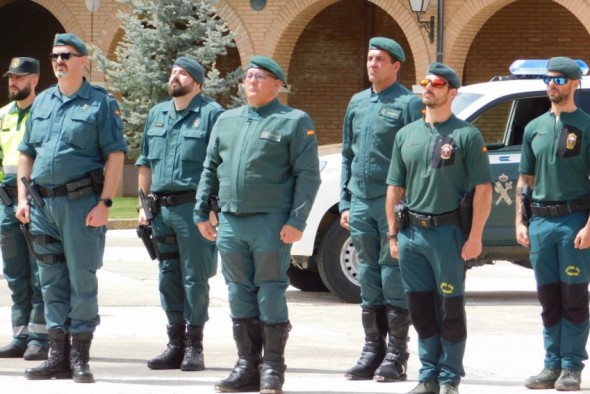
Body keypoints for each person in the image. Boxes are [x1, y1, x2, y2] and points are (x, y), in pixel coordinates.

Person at [194, 55, 321, 394]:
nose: (252, 82)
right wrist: (201, 210)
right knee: (238, 293)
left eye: (261, 77)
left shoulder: (293, 121)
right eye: (249, 76)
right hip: (232, 222)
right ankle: (246, 365)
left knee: (270, 290)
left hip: (271, 222)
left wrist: (297, 220)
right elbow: (210, 169)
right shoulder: (227, 120)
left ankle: (273, 369)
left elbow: (308, 175)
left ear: (278, 85)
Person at [15, 33, 127, 383]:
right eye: (54, 56)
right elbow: (27, 152)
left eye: (65, 55)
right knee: (50, 282)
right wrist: (22, 199)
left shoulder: (100, 103)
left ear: (83, 60)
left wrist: (106, 203)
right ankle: (56, 355)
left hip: (80, 206)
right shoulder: (43, 101)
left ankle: (80, 357)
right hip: (42, 206)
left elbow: (115, 155)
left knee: (81, 280)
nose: (59, 61)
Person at [385, 62, 493, 394]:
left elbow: (484, 190)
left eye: (437, 83)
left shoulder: (467, 135)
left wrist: (475, 237)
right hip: (411, 234)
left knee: (449, 307)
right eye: (425, 82)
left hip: (448, 235)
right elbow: (394, 189)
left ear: (452, 92)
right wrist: (392, 234)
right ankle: (427, 375)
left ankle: (449, 378)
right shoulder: (406, 135)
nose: (428, 87)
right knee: (419, 307)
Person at [339, 37, 424, 383]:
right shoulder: (357, 102)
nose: (372, 64)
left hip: (392, 205)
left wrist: (407, 205)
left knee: (393, 275)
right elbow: (348, 154)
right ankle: (372, 350)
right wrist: (345, 201)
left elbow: (415, 158)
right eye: (370, 58)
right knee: (368, 276)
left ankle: (396, 354)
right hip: (360, 202)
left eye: (380, 59)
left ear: (396, 66)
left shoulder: (407, 103)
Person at [136, 56, 222, 372]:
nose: (175, 76)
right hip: (160, 210)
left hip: (193, 209)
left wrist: (213, 209)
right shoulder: (157, 114)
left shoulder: (213, 114)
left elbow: (219, 167)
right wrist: (142, 206)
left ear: (197, 82)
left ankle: (195, 347)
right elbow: (145, 162)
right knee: (168, 276)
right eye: (173, 71)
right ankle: (175, 344)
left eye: (183, 73)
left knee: (195, 278)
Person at [515, 57, 590, 392]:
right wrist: (521, 221)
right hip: (541, 224)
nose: (552, 85)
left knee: (573, 297)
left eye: (559, 80)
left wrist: (589, 226)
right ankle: (551, 366)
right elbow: (525, 179)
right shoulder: (534, 128)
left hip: (574, 221)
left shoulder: (587, 127)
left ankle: (572, 367)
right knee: (548, 299)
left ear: (575, 83)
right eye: (549, 79)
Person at [0, 57, 48, 361]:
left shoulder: (45, 114)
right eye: (10, 77)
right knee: (15, 274)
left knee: (39, 273)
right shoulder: (3, 115)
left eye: (19, 77)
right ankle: (19, 336)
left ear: (34, 80)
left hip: (37, 201)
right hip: (6, 205)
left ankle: (40, 339)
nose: (12, 82)